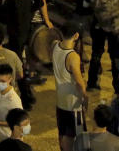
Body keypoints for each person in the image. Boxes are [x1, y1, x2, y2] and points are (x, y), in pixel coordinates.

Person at [53, 21, 87, 151]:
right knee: (77, 137)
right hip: (73, 104)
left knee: (62, 133)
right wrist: (85, 97)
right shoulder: (73, 57)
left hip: (60, 101)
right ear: (76, 35)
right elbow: (79, 82)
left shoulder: (55, 46)